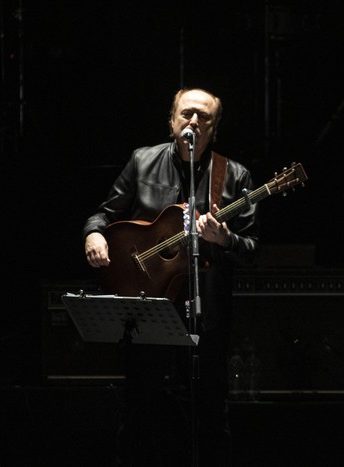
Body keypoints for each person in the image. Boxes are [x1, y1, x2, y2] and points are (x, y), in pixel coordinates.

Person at [83, 87, 260, 466]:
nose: (193, 121)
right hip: (147, 305)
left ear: (213, 129)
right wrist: (94, 234)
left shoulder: (235, 176)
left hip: (205, 314)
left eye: (204, 117)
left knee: (211, 416)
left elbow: (252, 250)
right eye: (186, 113)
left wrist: (225, 238)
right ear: (172, 120)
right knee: (139, 413)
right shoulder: (142, 161)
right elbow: (103, 214)